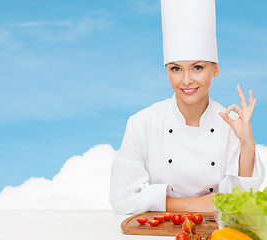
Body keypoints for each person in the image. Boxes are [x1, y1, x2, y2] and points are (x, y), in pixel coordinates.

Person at [109, 0, 265, 214]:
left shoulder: (230, 125)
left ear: (215, 69)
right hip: (160, 231)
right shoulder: (143, 122)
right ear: (166, 70)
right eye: (176, 69)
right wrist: (199, 205)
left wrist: (247, 141)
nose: (186, 80)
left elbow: (241, 200)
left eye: (197, 67)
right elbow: (121, 198)